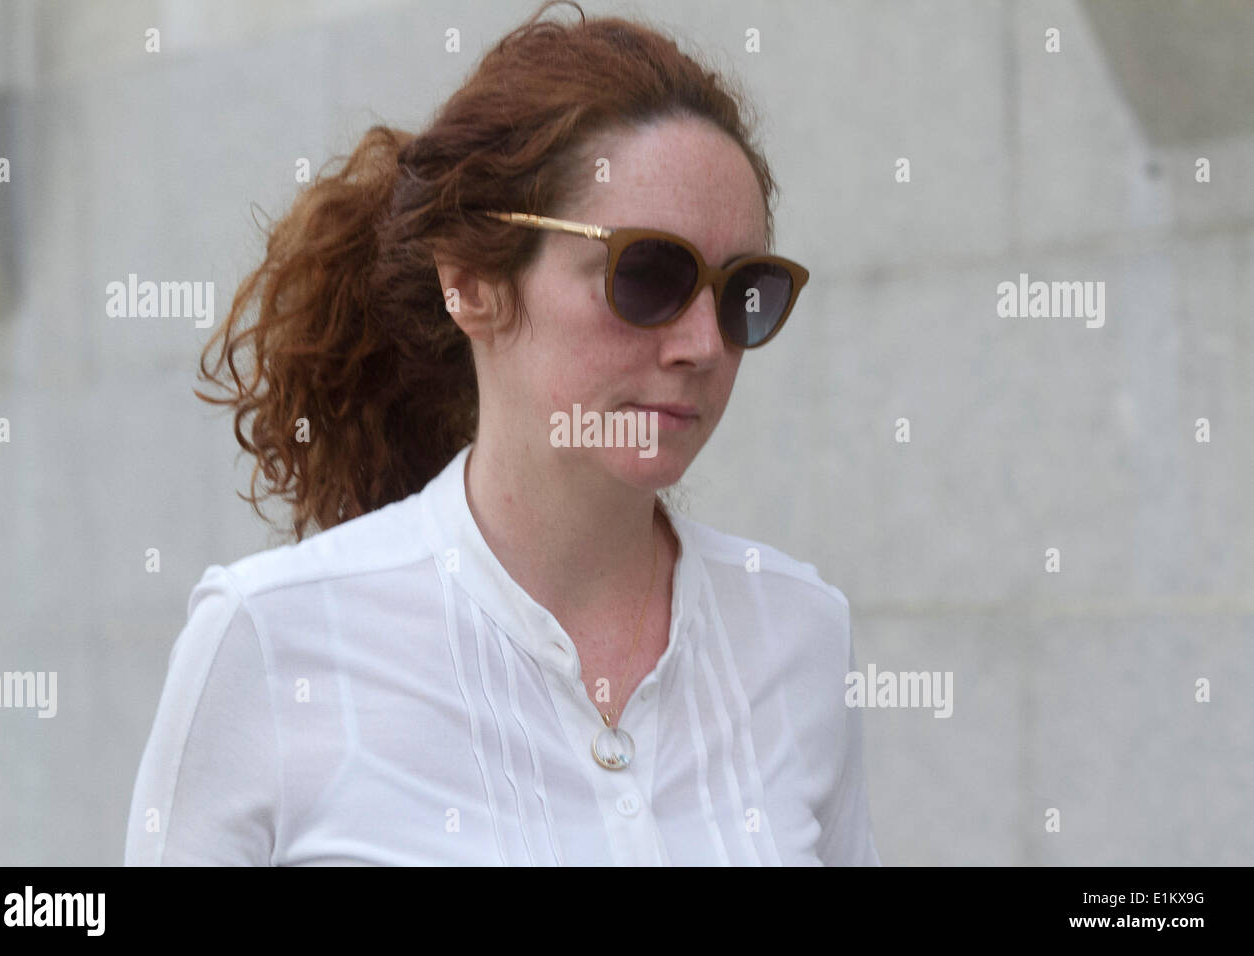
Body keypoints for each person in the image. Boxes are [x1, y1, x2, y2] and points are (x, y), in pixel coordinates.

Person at [123, 0, 880, 866]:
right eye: (647, 274)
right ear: (472, 285)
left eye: (744, 291)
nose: (703, 345)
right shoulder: (267, 639)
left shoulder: (800, 633)